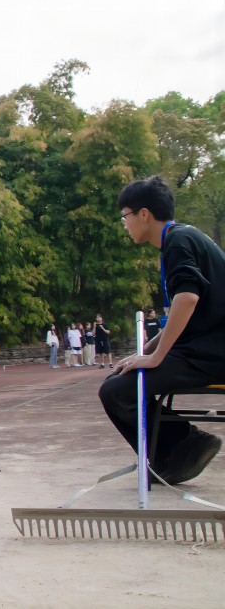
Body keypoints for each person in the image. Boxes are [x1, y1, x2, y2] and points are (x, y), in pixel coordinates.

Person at [99, 175, 224, 484]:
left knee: (116, 391)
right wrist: (145, 351)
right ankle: (179, 448)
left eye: (125, 216)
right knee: (119, 379)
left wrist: (155, 358)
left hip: (211, 354)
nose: (125, 224)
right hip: (204, 347)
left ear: (144, 214)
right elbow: (187, 312)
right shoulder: (184, 237)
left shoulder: (177, 242)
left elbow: (187, 298)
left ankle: (184, 447)